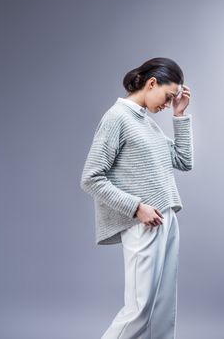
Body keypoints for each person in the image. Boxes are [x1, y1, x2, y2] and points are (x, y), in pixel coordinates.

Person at [80, 57, 194, 339]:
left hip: (166, 218)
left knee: (162, 310)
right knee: (139, 310)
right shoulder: (117, 117)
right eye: (168, 97)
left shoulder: (148, 124)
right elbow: (91, 178)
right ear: (151, 83)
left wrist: (179, 115)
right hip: (143, 221)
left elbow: (183, 160)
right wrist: (136, 208)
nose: (167, 104)